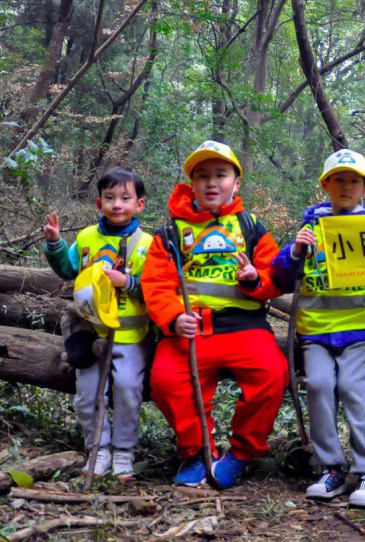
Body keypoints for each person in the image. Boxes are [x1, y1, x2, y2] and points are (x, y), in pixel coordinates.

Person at [140, 140, 288, 489]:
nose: (211, 183)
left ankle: (242, 455)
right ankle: (199, 453)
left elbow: (276, 276)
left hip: (246, 329)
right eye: (202, 175)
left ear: (236, 183)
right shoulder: (171, 232)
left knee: (272, 375)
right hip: (190, 332)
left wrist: (256, 280)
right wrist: (174, 317)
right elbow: (156, 283)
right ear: (191, 184)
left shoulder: (251, 226)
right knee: (166, 380)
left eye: (221, 175)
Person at [271, 149, 365, 508]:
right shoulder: (310, 227)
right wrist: (294, 251)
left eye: (354, 180)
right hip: (315, 331)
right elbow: (279, 275)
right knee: (320, 388)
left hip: (361, 330)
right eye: (338, 179)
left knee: (355, 390)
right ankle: (331, 468)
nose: (345, 186)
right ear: (325, 184)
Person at [43, 167, 152, 481]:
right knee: (88, 394)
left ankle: (124, 451)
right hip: (89, 332)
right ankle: (98, 449)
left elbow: (156, 288)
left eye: (125, 198)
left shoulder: (147, 244)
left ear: (139, 204)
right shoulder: (87, 237)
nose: (117, 204)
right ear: (98, 203)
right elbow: (68, 269)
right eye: (110, 198)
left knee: (129, 389)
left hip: (131, 336)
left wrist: (127, 281)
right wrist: (55, 245)